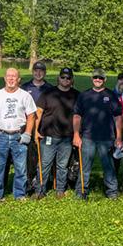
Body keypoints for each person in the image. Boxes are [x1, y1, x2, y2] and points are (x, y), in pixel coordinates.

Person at [0, 67, 37, 201]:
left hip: (18, 136)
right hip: (0, 135)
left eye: (14, 76)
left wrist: (27, 134)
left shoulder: (25, 95)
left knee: (21, 168)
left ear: (19, 79)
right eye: (9, 76)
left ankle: (19, 194)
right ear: (4, 78)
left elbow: (31, 116)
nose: (11, 79)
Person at [73, 69, 123, 200]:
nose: (98, 80)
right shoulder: (84, 95)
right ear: (92, 79)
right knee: (85, 167)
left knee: (109, 167)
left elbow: (118, 117)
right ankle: (81, 191)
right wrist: (76, 135)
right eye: (95, 77)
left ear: (105, 80)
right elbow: (77, 116)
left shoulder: (111, 95)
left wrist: (118, 137)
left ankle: (112, 192)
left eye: (100, 78)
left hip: (107, 137)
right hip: (88, 137)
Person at [36, 67, 79, 198]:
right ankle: (39, 190)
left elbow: (79, 116)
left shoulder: (77, 95)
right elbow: (38, 112)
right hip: (48, 135)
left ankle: (60, 190)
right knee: (44, 164)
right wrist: (35, 131)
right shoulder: (48, 93)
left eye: (68, 78)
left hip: (66, 137)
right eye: (63, 77)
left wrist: (77, 134)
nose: (65, 80)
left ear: (72, 80)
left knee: (62, 165)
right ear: (58, 78)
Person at [22, 61, 52, 191]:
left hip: (44, 126)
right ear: (32, 71)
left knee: (44, 155)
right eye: (36, 70)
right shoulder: (24, 87)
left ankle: (42, 180)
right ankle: (29, 180)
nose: (38, 73)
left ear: (44, 73)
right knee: (29, 156)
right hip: (27, 126)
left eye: (41, 71)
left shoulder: (50, 89)